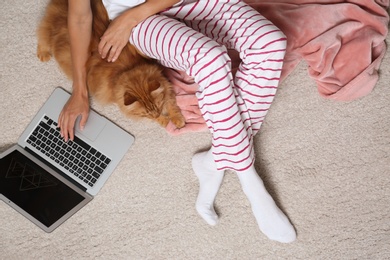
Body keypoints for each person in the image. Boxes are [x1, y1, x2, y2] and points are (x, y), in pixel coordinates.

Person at [61, 0, 296, 243]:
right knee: (210, 60)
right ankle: (250, 181)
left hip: (167, 9)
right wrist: (79, 90)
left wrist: (128, 19)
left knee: (270, 43)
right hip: (144, 24)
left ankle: (215, 160)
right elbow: (79, 16)